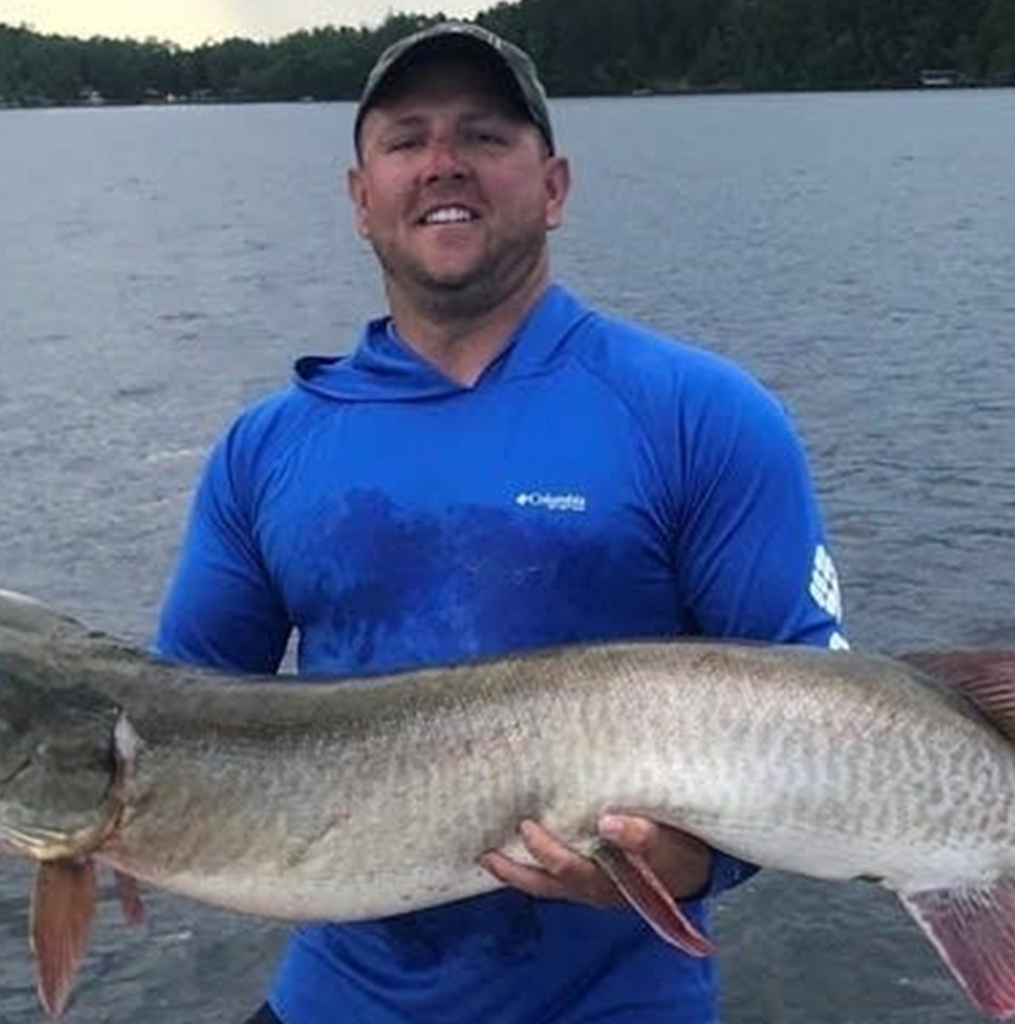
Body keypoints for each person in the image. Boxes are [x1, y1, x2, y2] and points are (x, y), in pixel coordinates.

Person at [155, 21, 848, 1024]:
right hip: (334, 1001)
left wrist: (695, 860)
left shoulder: (702, 416)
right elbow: (173, 727)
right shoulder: (262, 451)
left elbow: (824, 726)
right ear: (359, 198)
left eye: (484, 136)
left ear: (554, 187)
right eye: (406, 140)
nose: (443, 163)